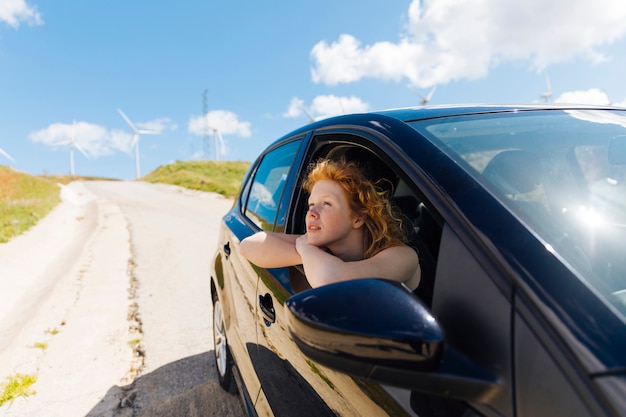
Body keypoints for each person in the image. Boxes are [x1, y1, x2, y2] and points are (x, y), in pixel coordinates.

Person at [240, 158, 421, 291]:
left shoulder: (403, 256)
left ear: (358, 218)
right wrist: (307, 250)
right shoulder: (320, 244)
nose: (311, 213)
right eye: (311, 204)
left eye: (326, 204)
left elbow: (331, 279)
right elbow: (249, 245)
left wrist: (306, 249)